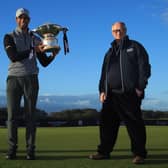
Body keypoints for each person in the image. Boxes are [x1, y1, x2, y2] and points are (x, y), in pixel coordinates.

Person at [89, 22, 151, 164]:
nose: (117, 32)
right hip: (111, 95)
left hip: (129, 94)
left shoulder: (135, 47)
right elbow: (104, 73)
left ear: (125, 30)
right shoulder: (109, 52)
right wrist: (102, 90)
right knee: (107, 125)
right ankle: (104, 152)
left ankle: (139, 154)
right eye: (114, 30)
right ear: (112, 32)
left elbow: (145, 67)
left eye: (120, 30)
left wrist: (140, 87)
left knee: (134, 125)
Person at [3, 8, 59, 160]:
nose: (23, 20)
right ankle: (12, 150)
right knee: (12, 116)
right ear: (16, 20)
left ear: (29, 20)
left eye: (26, 18)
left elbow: (44, 62)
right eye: (21, 18)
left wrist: (52, 54)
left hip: (31, 78)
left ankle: (30, 151)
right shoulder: (9, 37)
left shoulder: (35, 38)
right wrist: (33, 50)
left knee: (30, 116)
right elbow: (13, 56)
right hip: (14, 78)